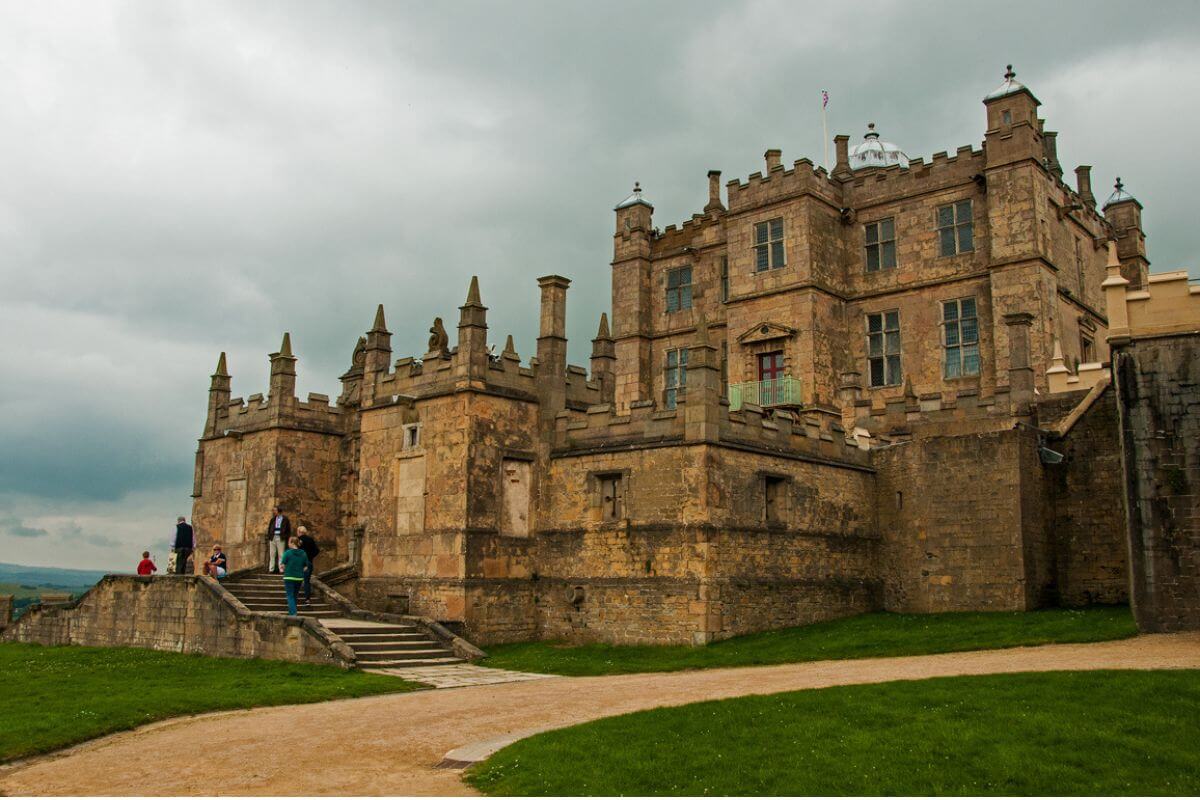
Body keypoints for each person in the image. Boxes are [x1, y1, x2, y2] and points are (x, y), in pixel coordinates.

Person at [280, 536, 309, 616]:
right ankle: (291, 612)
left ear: (292, 543)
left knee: (290, 596)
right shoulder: (303, 553)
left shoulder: (288, 553)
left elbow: (282, 565)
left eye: (289, 542)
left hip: (289, 577)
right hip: (299, 577)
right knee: (295, 596)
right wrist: (300, 570)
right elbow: (306, 567)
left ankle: (293, 614)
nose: (288, 544)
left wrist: (283, 569)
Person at [296, 526, 321, 603]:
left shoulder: (298, 540)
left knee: (297, 580)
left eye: (297, 531)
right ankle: (307, 599)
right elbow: (317, 550)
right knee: (307, 581)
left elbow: (296, 551)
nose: (297, 533)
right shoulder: (310, 540)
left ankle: (295, 597)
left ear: (300, 532)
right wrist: (310, 556)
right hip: (309, 562)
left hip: (300, 563)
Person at [264, 506, 291, 574]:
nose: (273, 511)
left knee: (281, 554)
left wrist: (285, 536)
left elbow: (288, 529)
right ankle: (271, 569)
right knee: (272, 554)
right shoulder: (273, 519)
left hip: (280, 537)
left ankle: (281, 569)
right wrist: (270, 536)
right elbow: (269, 528)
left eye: (275, 510)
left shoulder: (285, 519)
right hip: (273, 537)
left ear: (279, 511)